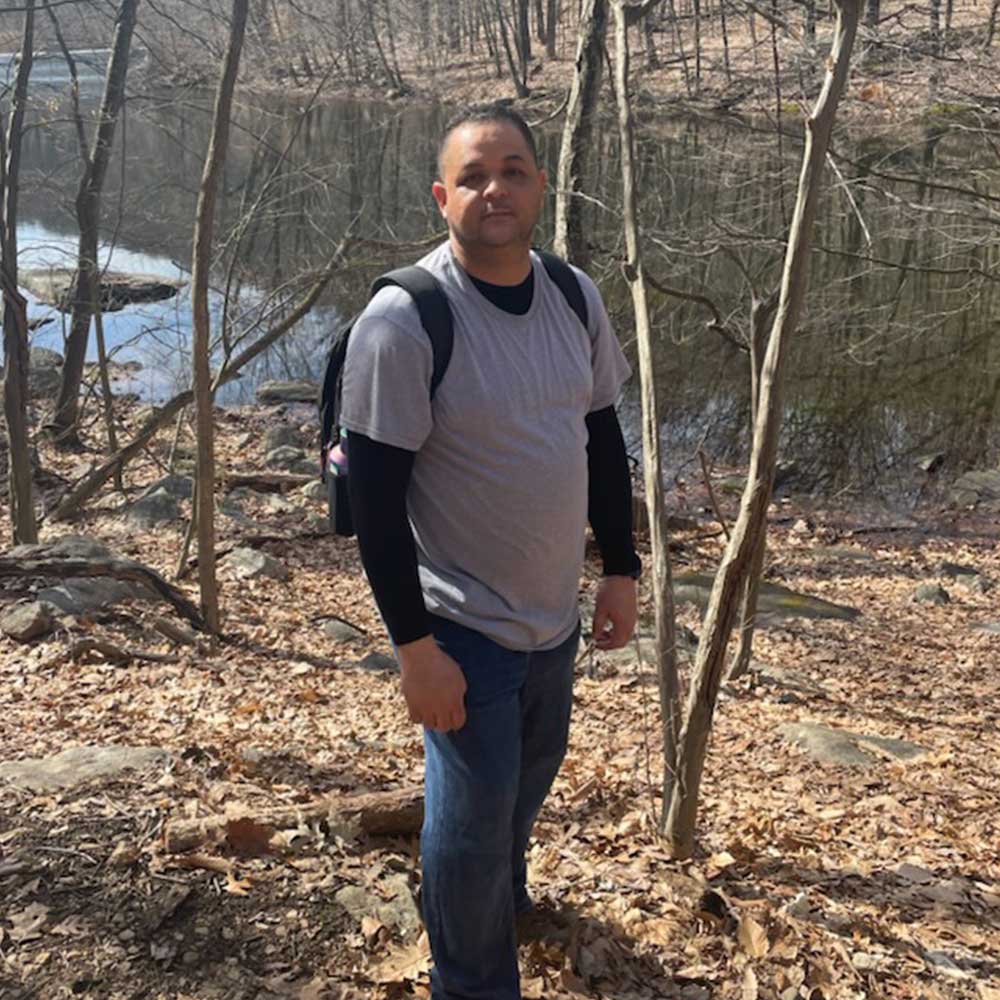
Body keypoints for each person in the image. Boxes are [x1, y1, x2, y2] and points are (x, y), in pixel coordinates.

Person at [340, 103, 641, 1000]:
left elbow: (600, 439)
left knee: (522, 791)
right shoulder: (405, 321)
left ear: (540, 184)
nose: (494, 189)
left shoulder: (575, 296)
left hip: (551, 619)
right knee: (469, 827)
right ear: (443, 198)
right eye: (472, 177)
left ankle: (497, 904)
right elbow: (375, 503)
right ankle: (471, 979)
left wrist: (620, 568)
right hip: (459, 626)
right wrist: (415, 651)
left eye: (512, 171)